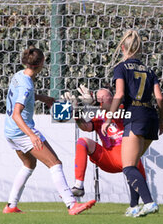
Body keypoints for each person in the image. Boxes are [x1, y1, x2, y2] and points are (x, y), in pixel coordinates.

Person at [3, 46, 96, 215]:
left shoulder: (18, 76)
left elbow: (20, 96)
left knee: (29, 164)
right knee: (55, 164)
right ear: (42, 63)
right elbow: (17, 114)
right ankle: (71, 204)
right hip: (22, 131)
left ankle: (11, 206)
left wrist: (41, 98)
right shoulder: (26, 86)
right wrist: (31, 135)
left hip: (9, 131)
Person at [101, 30, 163, 218]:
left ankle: (149, 202)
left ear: (123, 48)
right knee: (134, 163)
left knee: (127, 166)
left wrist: (109, 118)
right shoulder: (149, 70)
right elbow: (160, 98)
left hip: (134, 115)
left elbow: (120, 94)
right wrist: (161, 119)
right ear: (140, 49)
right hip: (151, 117)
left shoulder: (121, 67)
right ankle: (134, 205)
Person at [62, 86, 147, 217]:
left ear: (113, 98)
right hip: (108, 157)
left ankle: (135, 204)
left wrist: (94, 103)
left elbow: (114, 109)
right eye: (98, 96)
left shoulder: (124, 109)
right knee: (82, 141)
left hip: (126, 153)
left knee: (138, 177)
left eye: (103, 96)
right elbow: (85, 126)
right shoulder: (98, 117)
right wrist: (77, 109)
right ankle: (79, 186)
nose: (100, 98)